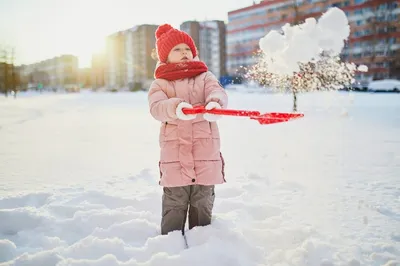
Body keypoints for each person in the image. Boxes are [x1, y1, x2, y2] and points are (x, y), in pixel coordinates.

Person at [148, 24, 228, 235]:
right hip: (175, 159)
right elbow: (156, 108)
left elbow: (217, 91)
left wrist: (215, 105)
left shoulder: (205, 77)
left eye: (187, 48)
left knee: (202, 201)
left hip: (204, 156)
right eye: (177, 49)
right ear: (165, 57)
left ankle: (201, 245)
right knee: (174, 203)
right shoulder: (160, 84)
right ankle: (170, 246)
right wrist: (175, 108)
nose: (184, 52)